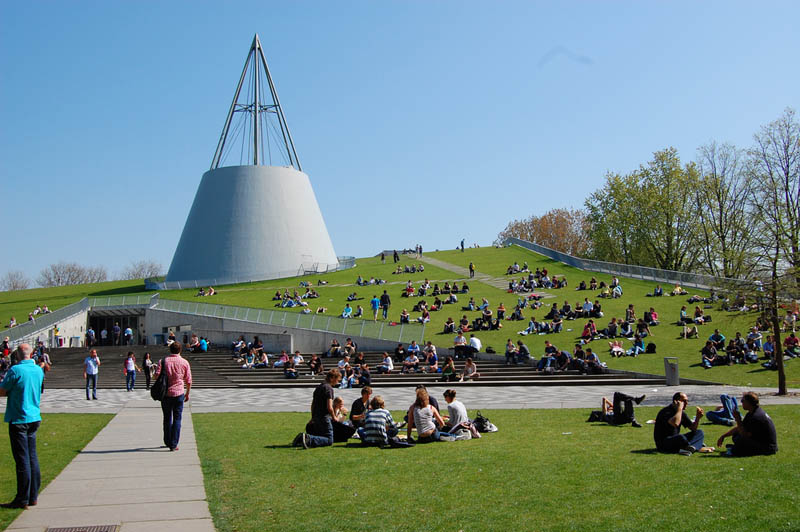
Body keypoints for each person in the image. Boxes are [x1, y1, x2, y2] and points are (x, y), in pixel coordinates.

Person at [0, 343, 44, 509]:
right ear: (31, 354)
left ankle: (22, 498)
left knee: (22, 459)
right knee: (32, 456)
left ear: (17, 355)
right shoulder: (38, 370)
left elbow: (2, 391)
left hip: (19, 417)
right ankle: (33, 496)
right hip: (34, 416)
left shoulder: (16, 370)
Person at [153, 342, 192, 451]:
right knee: (177, 419)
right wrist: (187, 393)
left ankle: (168, 440)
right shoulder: (184, 362)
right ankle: (174, 444)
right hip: (179, 393)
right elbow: (188, 380)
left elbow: (156, 376)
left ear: (170, 350)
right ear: (180, 350)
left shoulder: (163, 361)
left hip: (166, 394)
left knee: (167, 418)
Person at [716, 392, 778, 456]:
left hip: (767, 448)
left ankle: (735, 450)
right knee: (736, 435)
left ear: (749, 403)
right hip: (761, 442)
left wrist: (738, 420)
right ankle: (736, 448)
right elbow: (740, 428)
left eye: (743, 401)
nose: (741, 402)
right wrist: (724, 436)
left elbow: (745, 435)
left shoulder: (756, 417)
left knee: (740, 439)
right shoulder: (752, 413)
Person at [293, 369, 342, 449]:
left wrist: (313, 417)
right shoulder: (329, 389)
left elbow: (313, 405)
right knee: (329, 440)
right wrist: (334, 417)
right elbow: (329, 407)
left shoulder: (319, 387)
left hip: (316, 416)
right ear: (332, 378)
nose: (337, 382)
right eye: (337, 380)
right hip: (324, 417)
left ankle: (302, 438)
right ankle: (308, 438)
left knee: (321, 436)